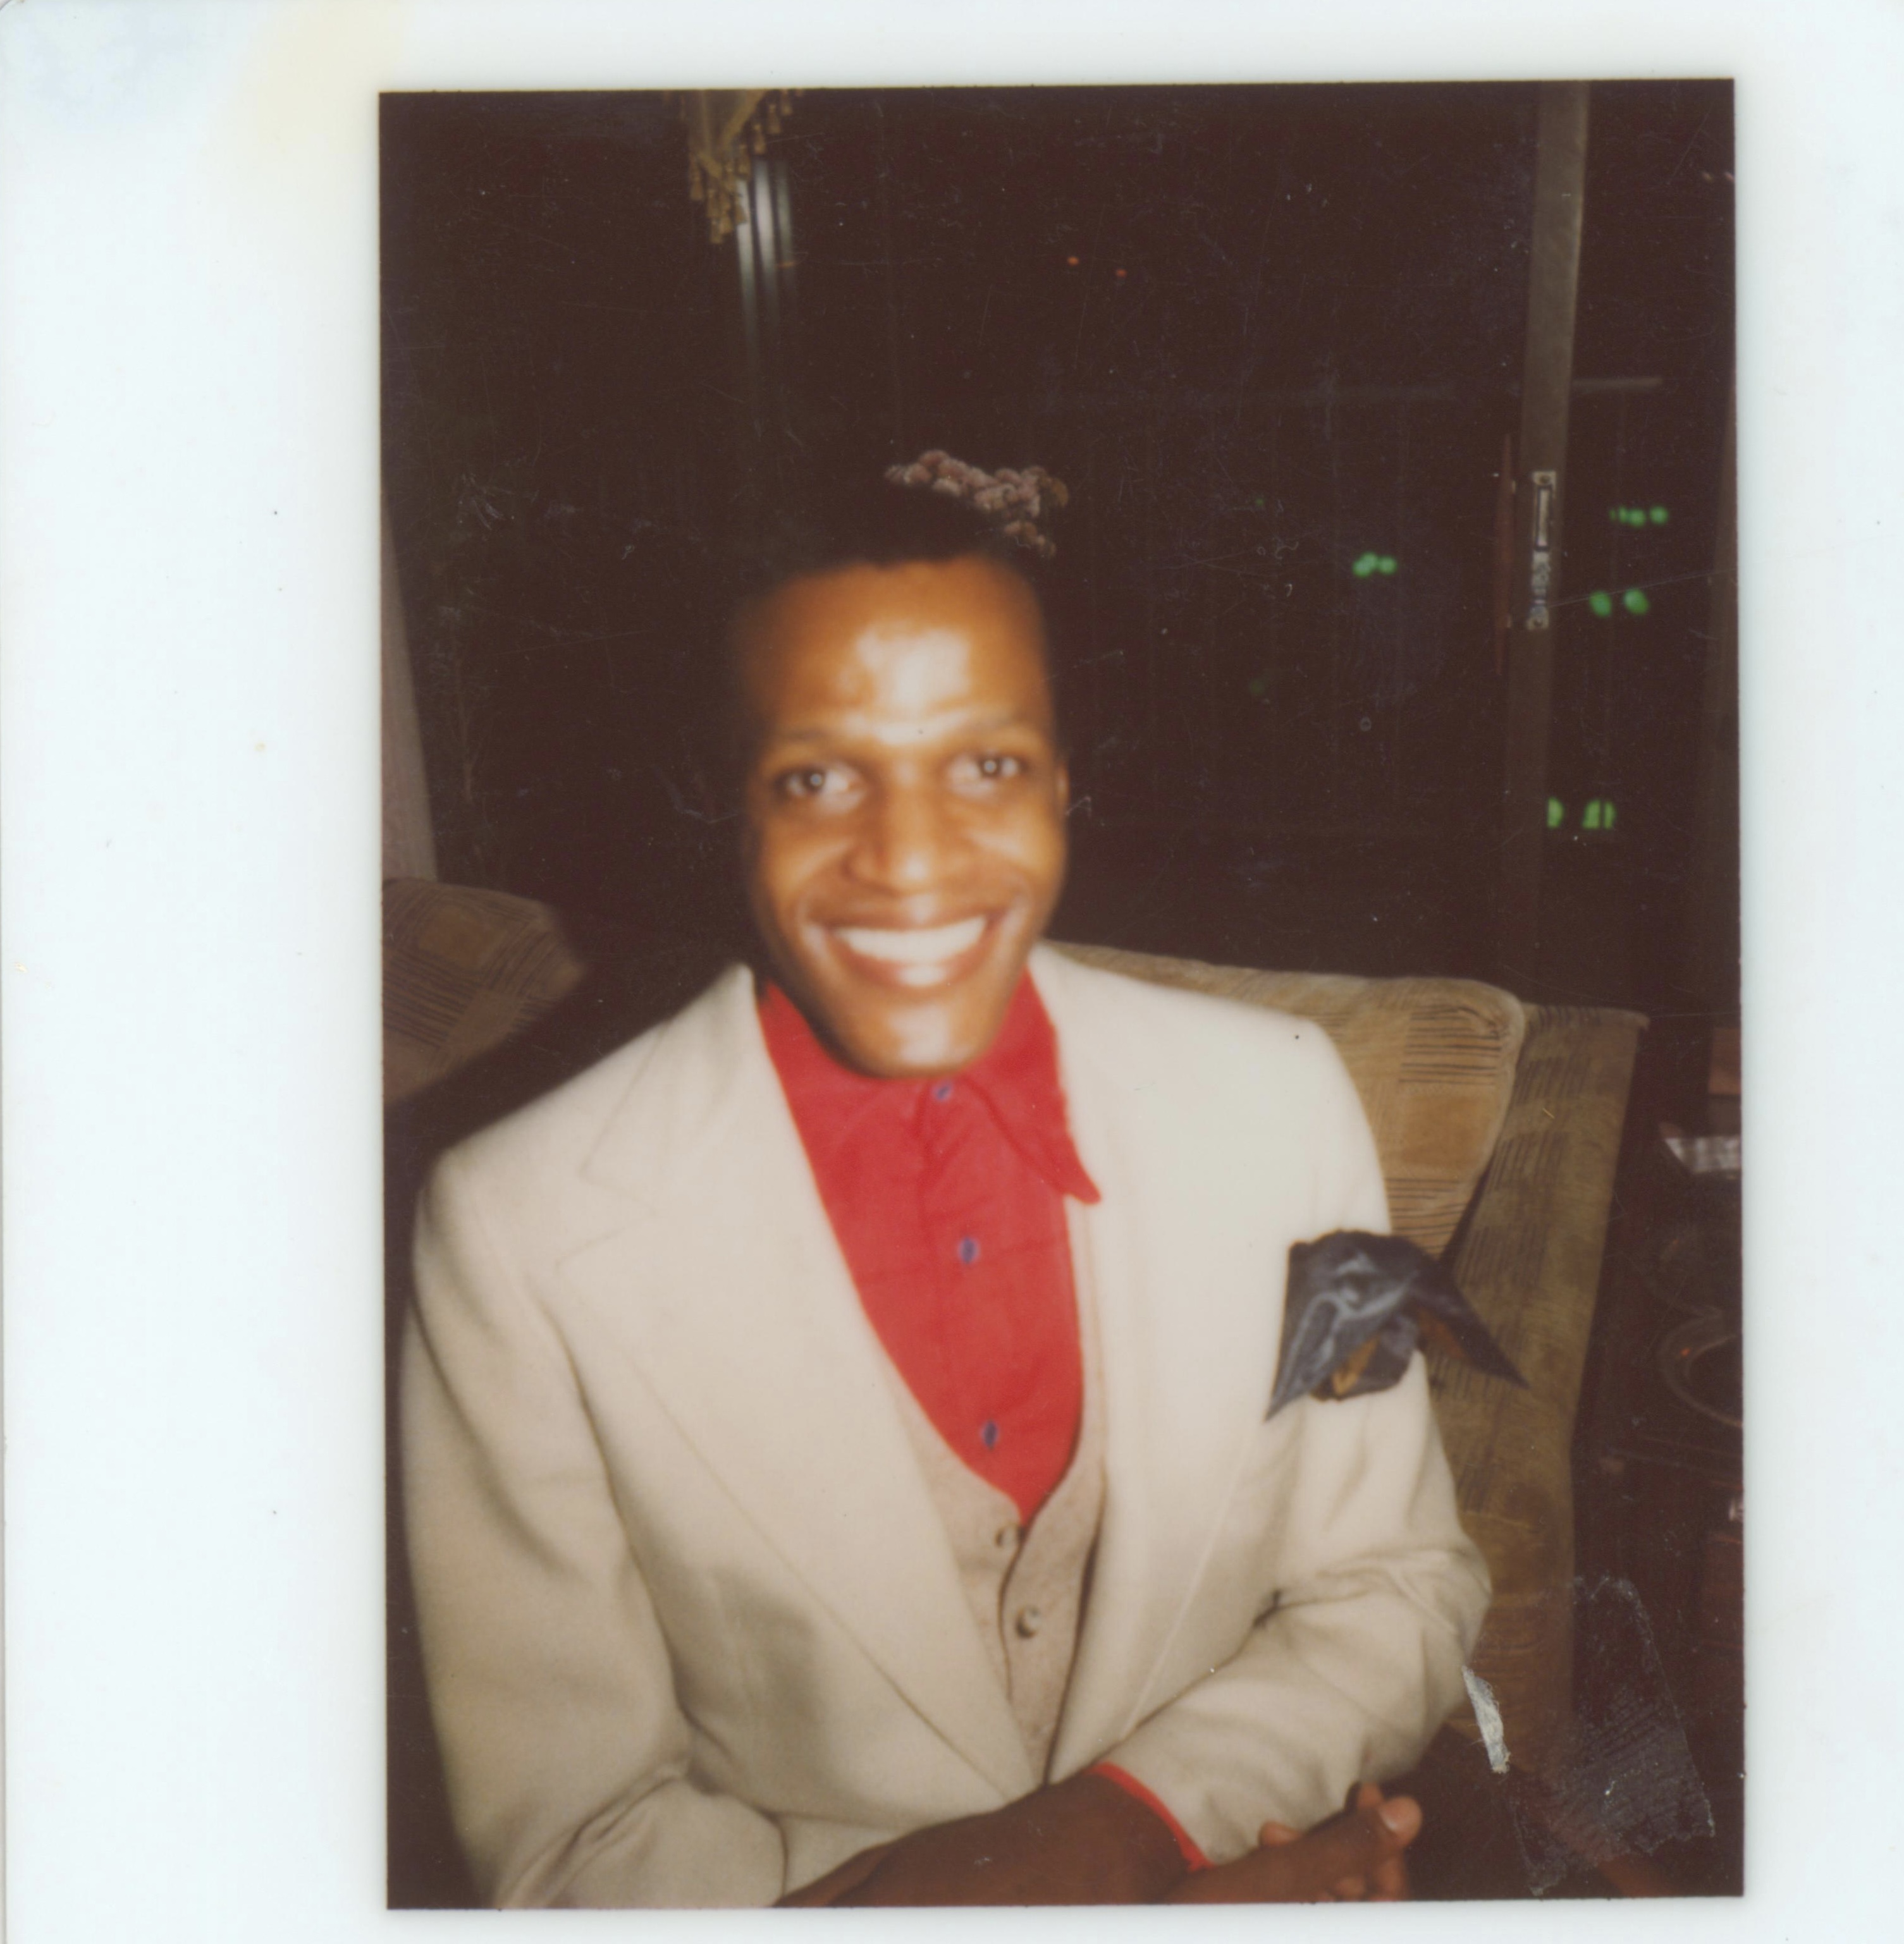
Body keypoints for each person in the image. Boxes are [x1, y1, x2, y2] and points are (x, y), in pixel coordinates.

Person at [400, 456, 1492, 1909]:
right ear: (725, 799)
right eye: (818, 775)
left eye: (987, 765)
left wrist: (1141, 1831)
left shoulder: (1278, 1101)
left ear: (1066, 777)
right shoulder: (516, 1227)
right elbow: (573, 1846)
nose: (911, 859)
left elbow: (1396, 1583)